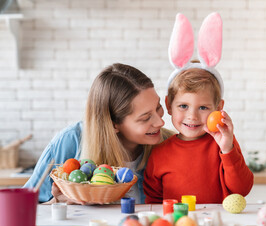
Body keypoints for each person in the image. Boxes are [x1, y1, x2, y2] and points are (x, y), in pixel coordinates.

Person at [24, 63, 174, 204]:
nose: (160, 122)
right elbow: (22, 207)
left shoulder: (170, 144)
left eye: (158, 107)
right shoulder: (71, 140)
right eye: (146, 118)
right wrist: (57, 202)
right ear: (113, 124)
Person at [143, 12, 253, 203]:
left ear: (218, 108)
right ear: (169, 105)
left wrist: (227, 150)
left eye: (203, 108)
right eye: (183, 106)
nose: (192, 116)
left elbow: (242, 189)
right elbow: (152, 201)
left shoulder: (223, 145)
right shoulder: (159, 153)